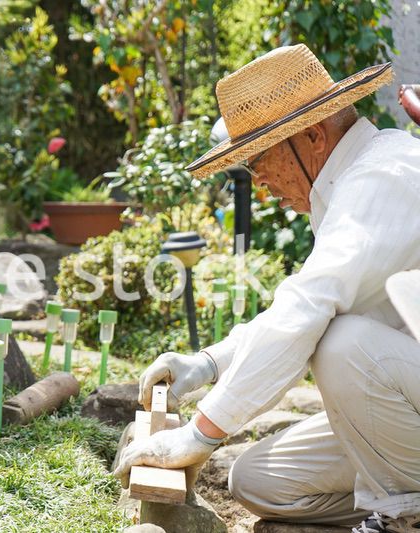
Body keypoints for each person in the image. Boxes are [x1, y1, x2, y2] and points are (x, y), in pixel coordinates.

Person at [112, 44, 420, 533]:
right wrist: (208, 363)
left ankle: (407, 515)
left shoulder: (381, 179)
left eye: (260, 164)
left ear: (314, 136)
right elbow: (301, 302)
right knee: (257, 482)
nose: (261, 185)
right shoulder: (349, 183)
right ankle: (396, 502)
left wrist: (200, 433)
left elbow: (307, 310)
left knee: (344, 346)